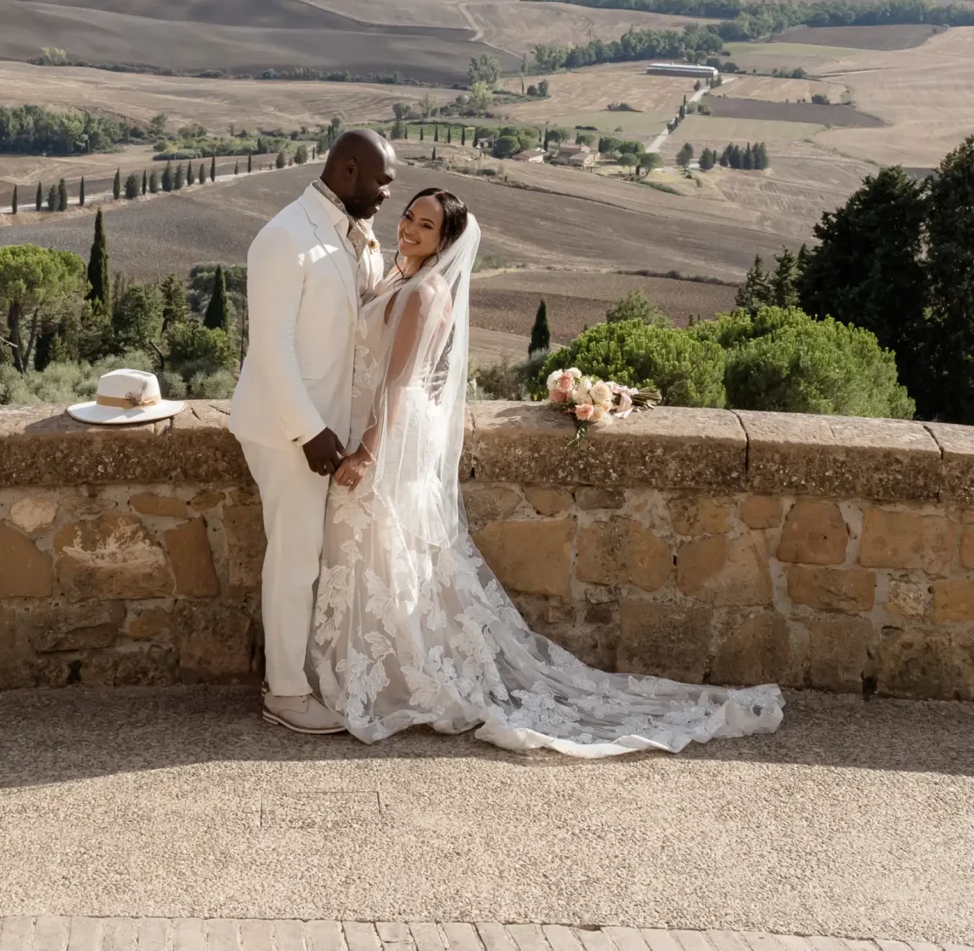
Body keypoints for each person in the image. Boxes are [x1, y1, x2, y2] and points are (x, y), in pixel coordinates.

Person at [309, 186, 785, 758]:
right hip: (383, 427)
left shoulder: (424, 292)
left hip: (388, 438)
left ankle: (392, 680)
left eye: (426, 226)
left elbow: (400, 381)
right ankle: (382, 671)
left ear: (446, 242)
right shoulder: (398, 277)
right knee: (383, 556)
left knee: (382, 550)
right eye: (409, 216)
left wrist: (366, 451)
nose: (409, 228)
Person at [229, 128, 396, 734]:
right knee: (294, 560)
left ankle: (308, 674)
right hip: (284, 432)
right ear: (348, 171)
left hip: (330, 432)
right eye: (380, 181)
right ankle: (286, 692)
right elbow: (269, 347)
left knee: (314, 558)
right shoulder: (283, 237)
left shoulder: (357, 237)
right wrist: (309, 431)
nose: (385, 194)